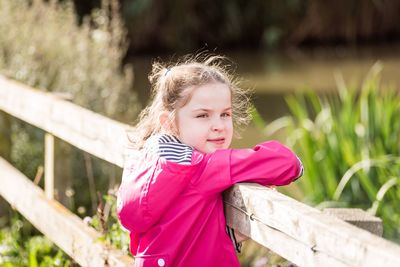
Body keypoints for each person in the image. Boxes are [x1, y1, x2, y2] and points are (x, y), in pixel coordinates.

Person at [117, 54, 303, 267]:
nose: (219, 125)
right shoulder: (204, 167)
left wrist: (229, 235)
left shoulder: (144, 162)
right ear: (169, 123)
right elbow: (286, 163)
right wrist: (298, 165)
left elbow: (178, 232)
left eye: (225, 114)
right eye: (203, 116)